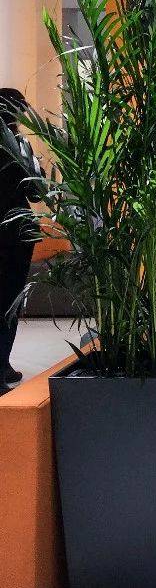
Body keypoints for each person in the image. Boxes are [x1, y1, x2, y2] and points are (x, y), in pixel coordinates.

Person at [0, 89, 37, 388]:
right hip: (14, 234)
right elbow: (35, 191)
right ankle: (1, 368)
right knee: (9, 302)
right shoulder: (17, 145)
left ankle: (3, 366)